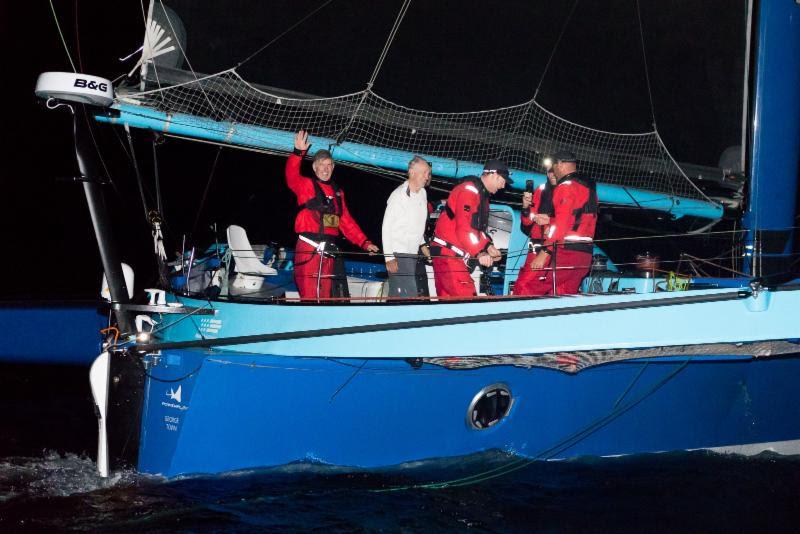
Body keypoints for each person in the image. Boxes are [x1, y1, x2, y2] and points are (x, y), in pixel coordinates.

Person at [286, 130, 379, 300]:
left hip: (329, 252)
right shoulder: (305, 185)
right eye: (322, 165)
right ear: (314, 167)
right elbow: (291, 176)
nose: (325, 169)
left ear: (333, 168)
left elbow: (346, 222)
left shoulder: (338, 193)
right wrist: (298, 153)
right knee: (310, 296)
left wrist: (365, 243)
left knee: (326, 296)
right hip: (309, 250)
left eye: (329, 165)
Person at [430, 160, 512, 297]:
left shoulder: (481, 196)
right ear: (494, 175)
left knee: (449, 306)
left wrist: (488, 247)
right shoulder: (469, 191)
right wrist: (479, 252)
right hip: (448, 256)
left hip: (449, 256)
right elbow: (464, 229)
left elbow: (478, 231)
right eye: (503, 181)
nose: (503, 186)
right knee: (467, 300)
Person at [524, 150, 597, 296]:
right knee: (563, 296)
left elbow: (561, 226)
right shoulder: (588, 188)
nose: (553, 171)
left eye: (554, 167)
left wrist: (544, 253)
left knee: (528, 288)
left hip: (565, 253)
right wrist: (550, 220)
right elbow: (576, 220)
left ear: (561, 165)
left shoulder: (565, 187)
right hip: (585, 255)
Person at [382, 156, 432, 298]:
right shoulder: (398, 195)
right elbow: (386, 227)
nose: (427, 177)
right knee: (407, 295)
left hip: (412, 255)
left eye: (428, 173)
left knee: (398, 296)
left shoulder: (423, 194)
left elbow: (417, 226)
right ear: (412, 172)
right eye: (424, 173)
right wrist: (389, 257)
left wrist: (425, 249)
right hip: (398, 255)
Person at [513, 166, 558, 295]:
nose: (553, 174)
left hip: (556, 249)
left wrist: (550, 221)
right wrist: (525, 206)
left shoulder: (567, 191)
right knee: (523, 285)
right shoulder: (540, 190)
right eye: (550, 171)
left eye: (555, 171)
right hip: (536, 249)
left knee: (556, 291)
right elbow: (527, 221)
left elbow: (571, 221)